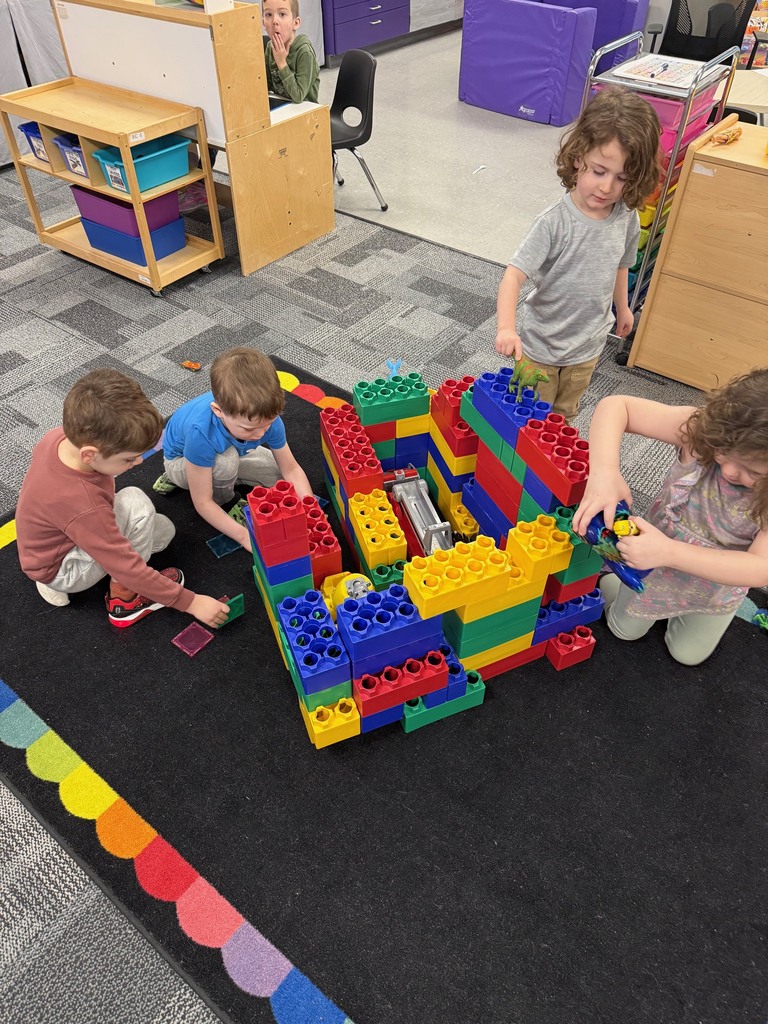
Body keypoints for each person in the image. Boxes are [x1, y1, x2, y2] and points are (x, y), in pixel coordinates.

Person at [571, 371, 768, 666]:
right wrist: (604, 473)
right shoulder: (706, 431)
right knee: (623, 630)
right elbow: (617, 406)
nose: (728, 470)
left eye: (753, 472)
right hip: (651, 568)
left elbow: (759, 568)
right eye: (723, 452)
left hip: (714, 586)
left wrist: (671, 552)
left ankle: (673, 609)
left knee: (687, 656)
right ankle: (614, 579)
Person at [495, 86, 662, 422]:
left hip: (587, 347)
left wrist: (624, 306)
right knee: (529, 418)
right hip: (540, 347)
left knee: (565, 415)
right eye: (599, 171)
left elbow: (621, 265)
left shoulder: (626, 216)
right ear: (577, 157)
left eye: (622, 179)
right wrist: (506, 328)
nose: (607, 188)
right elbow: (513, 275)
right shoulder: (554, 222)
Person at [15, 369, 230, 630]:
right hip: (63, 567)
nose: (139, 462)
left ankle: (52, 571)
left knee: (163, 533)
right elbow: (127, 565)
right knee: (137, 506)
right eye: (129, 459)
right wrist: (192, 602)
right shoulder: (83, 505)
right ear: (89, 455)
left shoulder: (60, 438)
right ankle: (124, 598)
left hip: (53, 541)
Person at [156, 346, 312, 551]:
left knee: (278, 476)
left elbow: (290, 469)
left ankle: (223, 477)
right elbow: (202, 502)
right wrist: (244, 537)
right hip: (180, 462)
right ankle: (226, 501)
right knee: (226, 462)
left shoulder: (265, 420)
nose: (261, 433)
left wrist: (310, 510)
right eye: (251, 429)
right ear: (218, 411)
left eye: (267, 424)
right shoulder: (200, 433)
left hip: (228, 450)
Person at [262, 0, 319, 104]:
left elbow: (298, 96)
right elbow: (265, 86)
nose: (275, 21)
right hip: (283, 109)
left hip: (307, 113)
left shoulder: (304, 52)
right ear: (264, 24)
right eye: (269, 15)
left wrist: (281, 63)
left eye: (282, 14)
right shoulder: (270, 48)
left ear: (296, 23)